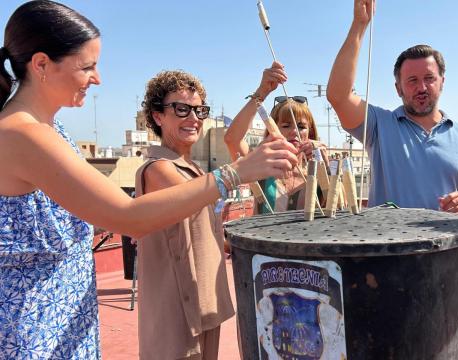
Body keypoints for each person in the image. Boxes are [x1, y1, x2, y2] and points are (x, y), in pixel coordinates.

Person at [0, 1, 298, 358]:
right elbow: (128, 217)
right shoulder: (23, 133)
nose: (97, 78)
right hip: (36, 331)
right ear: (42, 64)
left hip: (58, 324)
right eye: (88, 66)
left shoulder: (48, 129)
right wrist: (237, 173)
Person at [325, 0, 458, 220]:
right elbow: (338, 96)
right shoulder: (378, 125)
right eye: (412, 80)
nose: (422, 87)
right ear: (398, 88)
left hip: (447, 252)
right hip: (388, 251)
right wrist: (359, 25)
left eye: (429, 78)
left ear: (442, 81)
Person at [135, 71, 235, 360]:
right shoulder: (157, 168)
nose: (194, 118)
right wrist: (241, 170)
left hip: (205, 302)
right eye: (181, 109)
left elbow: (204, 225)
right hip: (175, 312)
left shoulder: (193, 169)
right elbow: (192, 198)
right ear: (157, 116)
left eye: (199, 110)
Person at [224, 61, 328, 213]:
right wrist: (262, 91)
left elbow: (342, 211)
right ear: (272, 130)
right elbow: (232, 139)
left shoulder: (320, 171)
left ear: (310, 133)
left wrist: (327, 171)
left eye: (301, 127)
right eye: (285, 126)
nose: (294, 131)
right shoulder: (262, 165)